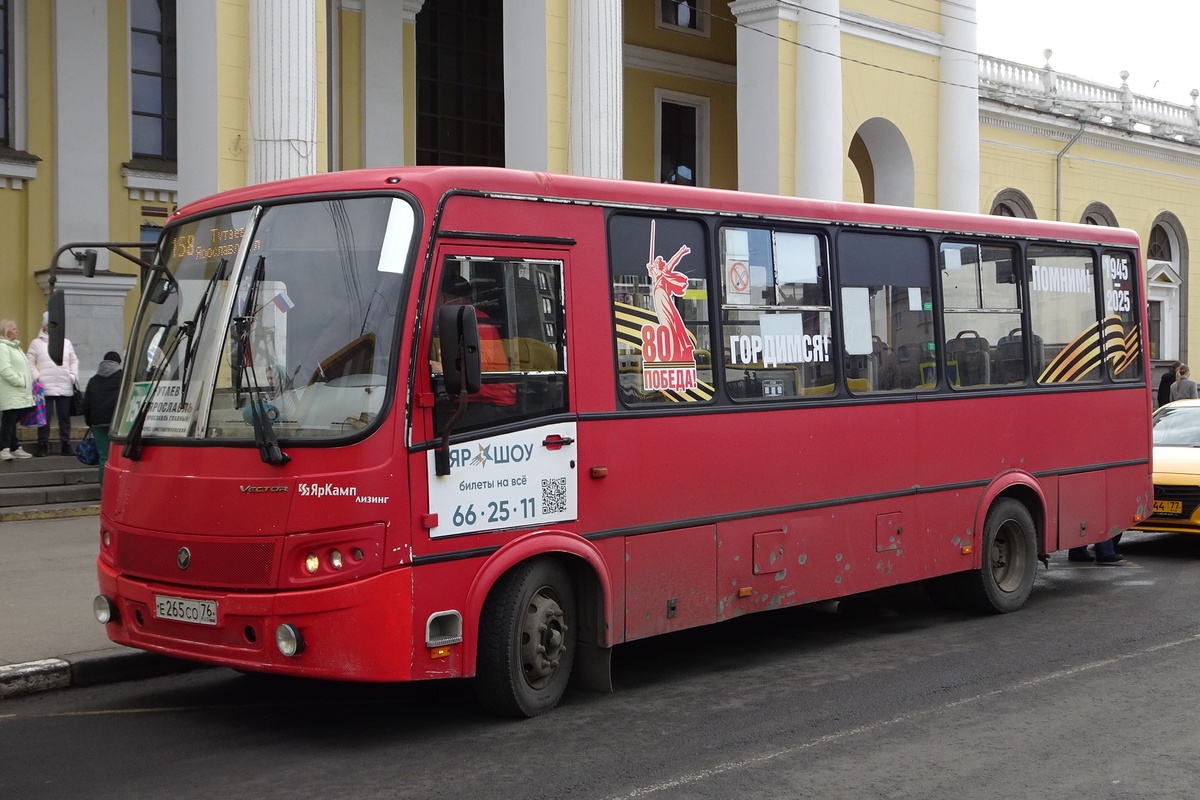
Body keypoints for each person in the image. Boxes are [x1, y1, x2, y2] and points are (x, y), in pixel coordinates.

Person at [26, 312, 79, 455]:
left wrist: (72, 376)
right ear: (45, 326)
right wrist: (37, 377)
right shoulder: (36, 343)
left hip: (64, 385)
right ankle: (42, 444)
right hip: (45, 387)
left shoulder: (66, 342)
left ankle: (66, 444)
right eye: (51, 325)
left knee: (64, 418)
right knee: (44, 418)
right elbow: (29, 362)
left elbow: (74, 360)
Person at [82, 350, 123, 485]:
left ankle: (104, 489)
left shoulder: (93, 380)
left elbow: (86, 403)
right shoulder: (123, 378)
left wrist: (90, 422)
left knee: (104, 457)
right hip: (118, 423)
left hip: (98, 423)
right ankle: (118, 487)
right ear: (119, 363)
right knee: (120, 456)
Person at [0, 319, 35, 460]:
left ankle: (13, 446)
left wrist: (29, 382)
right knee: (9, 421)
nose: (17, 331)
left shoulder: (16, 347)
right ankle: (4, 448)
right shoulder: (3, 347)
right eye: (14, 329)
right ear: (6, 331)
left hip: (20, 391)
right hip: (11, 391)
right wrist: (20, 381)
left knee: (14, 419)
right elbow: (4, 369)